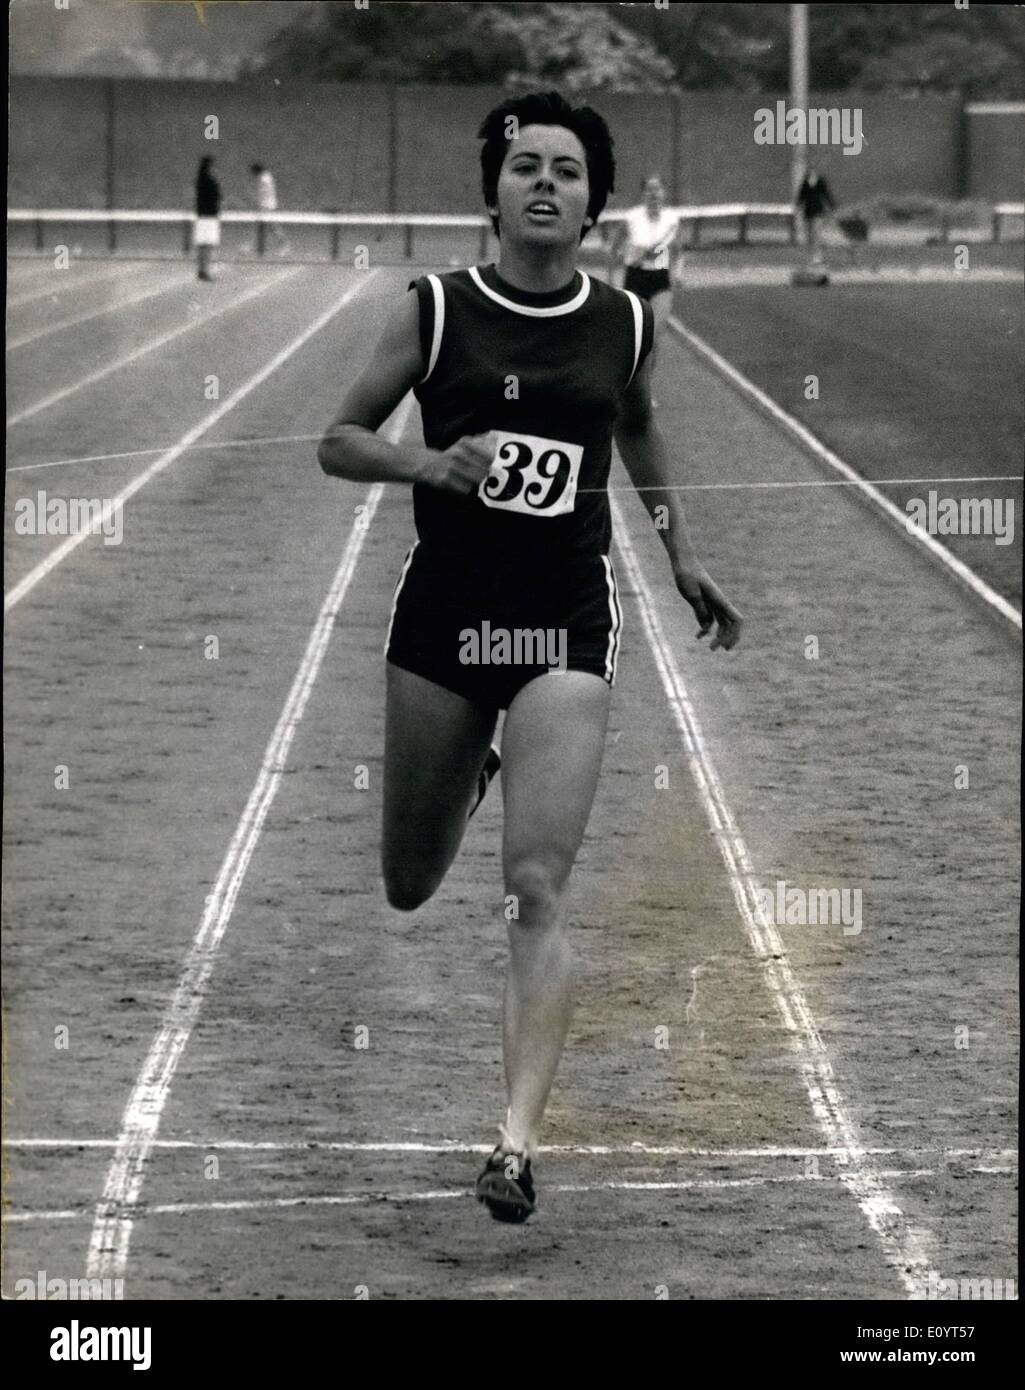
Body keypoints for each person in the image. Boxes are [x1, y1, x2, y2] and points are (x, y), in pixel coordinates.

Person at [317, 90, 742, 1224]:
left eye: (565, 169)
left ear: (594, 202)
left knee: (535, 887)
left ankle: (512, 1145)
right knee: (408, 883)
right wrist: (426, 465)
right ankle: (470, 767)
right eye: (523, 167)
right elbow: (336, 438)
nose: (544, 182)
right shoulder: (436, 310)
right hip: (445, 619)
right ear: (494, 191)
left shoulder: (625, 321)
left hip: (562, 620)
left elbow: (638, 421)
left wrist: (679, 553)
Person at [609, 175, 683, 367]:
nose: (653, 193)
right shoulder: (631, 218)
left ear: (663, 193)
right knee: (635, 338)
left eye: (657, 189)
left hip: (660, 280)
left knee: (652, 338)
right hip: (635, 278)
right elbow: (615, 250)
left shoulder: (672, 220)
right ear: (643, 194)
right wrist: (614, 281)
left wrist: (677, 274)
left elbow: (678, 252)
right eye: (649, 189)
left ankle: (645, 390)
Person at [244, 162, 290, 256]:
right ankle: (256, 248)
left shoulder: (264, 179)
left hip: (266, 206)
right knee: (262, 226)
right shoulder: (266, 177)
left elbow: (263, 194)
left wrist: (255, 200)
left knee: (272, 227)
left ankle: (284, 245)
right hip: (266, 205)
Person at [795, 166, 835, 264]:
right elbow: (801, 196)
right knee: (809, 235)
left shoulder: (820, 182)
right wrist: (798, 206)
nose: (812, 173)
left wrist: (832, 205)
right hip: (808, 211)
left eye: (813, 171)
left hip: (818, 211)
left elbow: (826, 194)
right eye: (810, 171)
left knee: (816, 234)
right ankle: (811, 255)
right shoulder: (805, 182)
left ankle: (818, 256)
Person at [194, 155, 221, 282]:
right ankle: (206, 271)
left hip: (201, 216)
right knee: (209, 245)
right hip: (210, 217)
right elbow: (218, 197)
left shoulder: (200, 180)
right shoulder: (211, 181)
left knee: (202, 245)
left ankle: (201, 270)